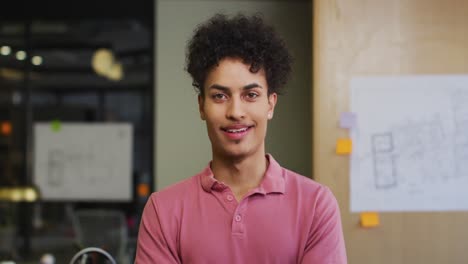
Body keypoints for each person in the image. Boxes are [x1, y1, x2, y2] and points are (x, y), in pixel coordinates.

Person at [135, 13, 347, 264]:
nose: (235, 112)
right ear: (201, 106)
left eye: (251, 95)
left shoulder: (316, 206)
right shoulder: (163, 211)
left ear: (271, 104)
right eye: (220, 96)